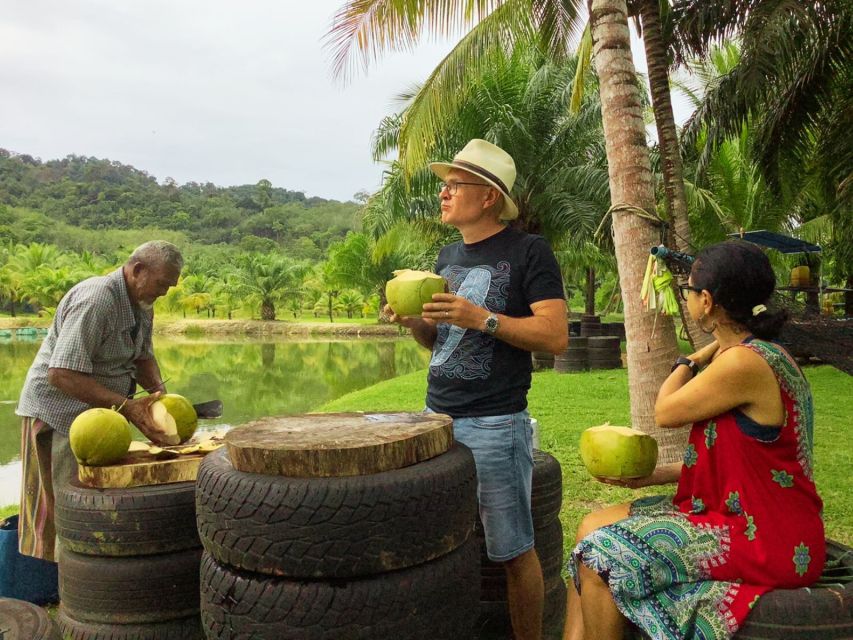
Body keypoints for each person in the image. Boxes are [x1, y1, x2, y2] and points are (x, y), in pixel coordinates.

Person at [563, 240, 825, 640]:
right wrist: (654, 476)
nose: (685, 297)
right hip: (737, 513)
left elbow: (665, 412)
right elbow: (744, 462)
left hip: (767, 537)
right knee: (589, 526)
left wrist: (689, 359)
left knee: (601, 557)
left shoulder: (743, 362)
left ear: (706, 300)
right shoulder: (753, 354)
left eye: (687, 290)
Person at [385, 139, 569, 640]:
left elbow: (554, 336)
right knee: (444, 541)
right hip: (436, 418)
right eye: (443, 185)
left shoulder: (530, 251)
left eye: (454, 185)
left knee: (512, 550)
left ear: (488, 196)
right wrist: (414, 324)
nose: (443, 193)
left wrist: (481, 318)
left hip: (493, 422)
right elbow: (442, 344)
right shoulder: (446, 257)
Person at [16, 240, 183, 562]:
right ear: (137, 270)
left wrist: (161, 398)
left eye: (170, 287)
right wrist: (129, 406)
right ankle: (66, 585)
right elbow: (61, 373)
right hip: (58, 412)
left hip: (100, 416)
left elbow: (143, 357)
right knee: (65, 503)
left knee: (91, 498)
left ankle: (84, 576)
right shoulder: (96, 300)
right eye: (162, 283)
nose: (164, 292)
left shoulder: (142, 303)